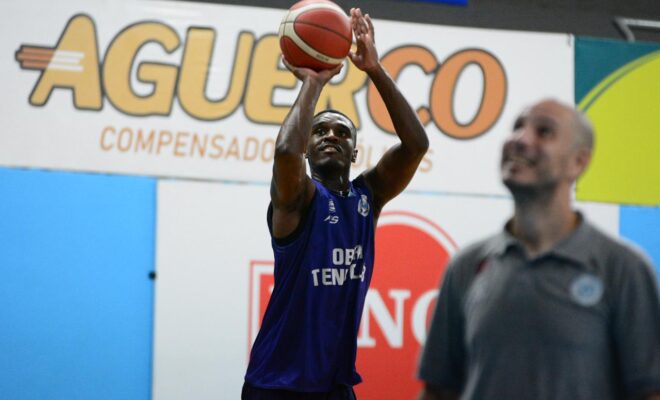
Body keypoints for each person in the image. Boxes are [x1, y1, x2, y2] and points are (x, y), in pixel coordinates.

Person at [242, 7, 429, 400]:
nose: (331, 136)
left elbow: (416, 145)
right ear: (308, 149)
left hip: (335, 385)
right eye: (320, 131)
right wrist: (313, 82)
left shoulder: (368, 197)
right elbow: (285, 152)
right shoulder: (297, 199)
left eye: (342, 133)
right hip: (275, 384)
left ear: (355, 151)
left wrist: (374, 69)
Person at [417, 99, 660, 400]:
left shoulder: (623, 268)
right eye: (517, 127)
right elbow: (438, 391)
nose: (521, 139)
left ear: (578, 162)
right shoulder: (467, 266)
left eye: (544, 131)